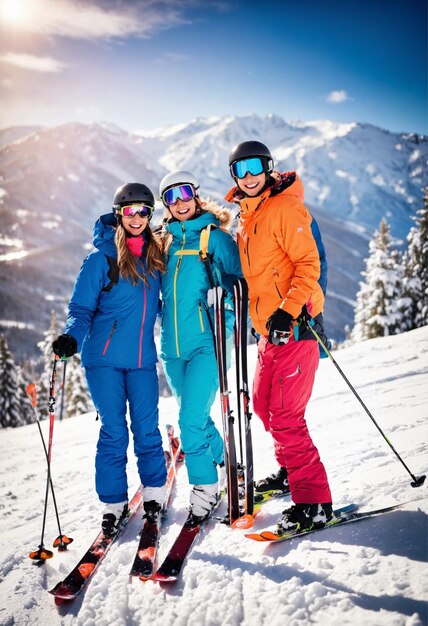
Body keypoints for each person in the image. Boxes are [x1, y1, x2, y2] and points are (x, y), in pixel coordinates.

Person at [225, 140, 333, 532]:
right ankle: (290, 472)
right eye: (241, 169)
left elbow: (308, 264)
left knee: (287, 417)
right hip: (269, 332)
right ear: (234, 177)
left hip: (296, 326)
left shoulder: (285, 207)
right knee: (264, 405)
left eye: (256, 166)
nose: (249, 176)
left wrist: (288, 311)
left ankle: (315, 501)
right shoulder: (246, 217)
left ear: (270, 169)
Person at [52, 182, 167, 536]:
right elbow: (81, 308)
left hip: (142, 361)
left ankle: (154, 495)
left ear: (150, 215)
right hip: (103, 361)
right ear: (118, 214)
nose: (136, 217)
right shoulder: (101, 258)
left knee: (147, 429)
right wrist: (72, 335)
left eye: (143, 211)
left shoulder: (155, 257)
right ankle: (113, 505)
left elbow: (162, 303)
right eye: (130, 211)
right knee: (114, 431)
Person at [158, 170, 242, 523]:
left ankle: (205, 488)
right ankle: (225, 460)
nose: (179, 201)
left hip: (206, 346)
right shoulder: (163, 243)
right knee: (198, 416)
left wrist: (220, 327)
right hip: (172, 350)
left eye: (184, 193)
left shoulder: (215, 238)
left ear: (195, 194)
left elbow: (237, 287)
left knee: (189, 419)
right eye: (171, 196)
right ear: (165, 204)